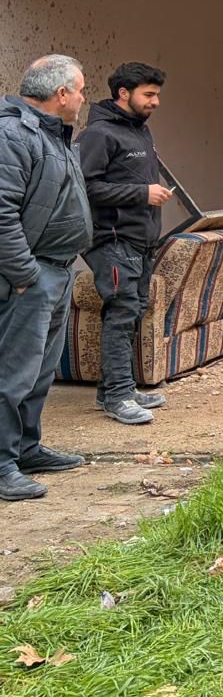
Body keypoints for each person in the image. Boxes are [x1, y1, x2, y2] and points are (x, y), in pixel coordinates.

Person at [0, 55, 93, 501]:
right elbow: (1, 213)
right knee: (12, 373)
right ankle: (2, 464)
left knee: (39, 373)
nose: (82, 98)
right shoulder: (13, 135)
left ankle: (26, 448)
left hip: (56, 270)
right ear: (61, 95)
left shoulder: (54, 135)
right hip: (30, 276)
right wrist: (24, 275)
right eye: (80, 89)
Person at [75, 62, 173, 426]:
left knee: (131, 311)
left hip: (139, 240)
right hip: (111, 240)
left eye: (157, 94)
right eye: (149, 94)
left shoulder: (140, 132)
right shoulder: (98, 135)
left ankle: (116, 388)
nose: (156, 102)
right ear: (123, 94)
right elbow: (85, 187)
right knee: (121, 312)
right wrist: (141, 193)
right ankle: (118, 396)